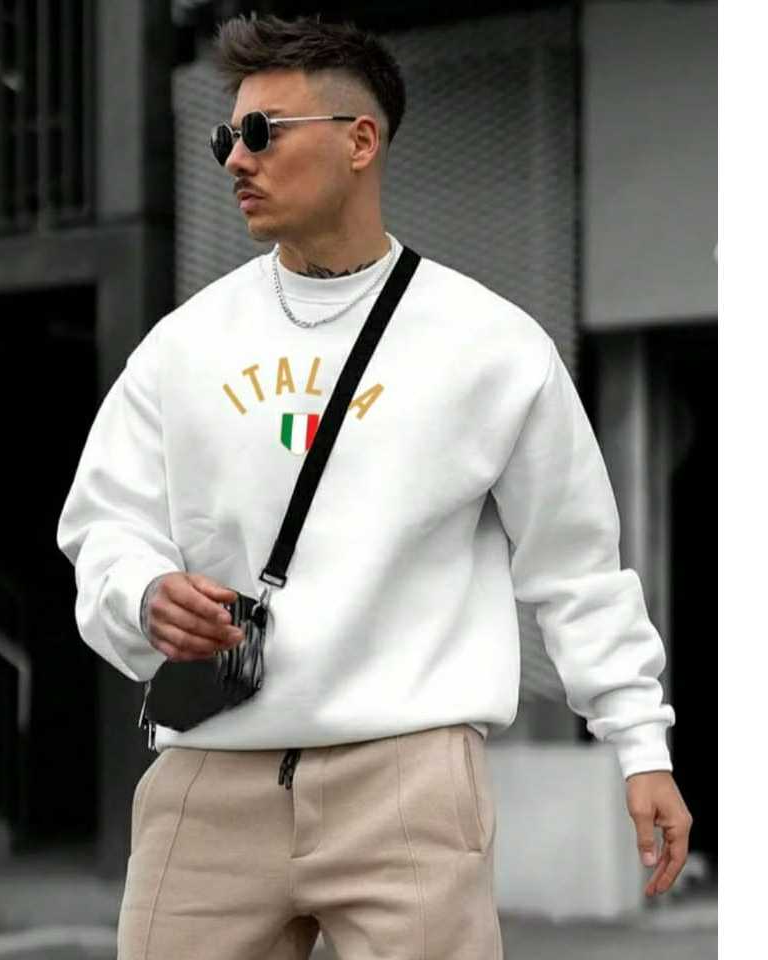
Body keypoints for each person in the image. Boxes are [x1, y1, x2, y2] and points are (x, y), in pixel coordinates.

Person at [56, 12, 693, 960]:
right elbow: (104, 526)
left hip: (408, 780)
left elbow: (575, 566)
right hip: (210, 778)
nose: (237, 159)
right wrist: (143, 594)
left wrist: (640, 743)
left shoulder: (488, 344)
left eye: (263, 131)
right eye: (227, 136)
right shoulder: (184, 345)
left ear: (361, 141)